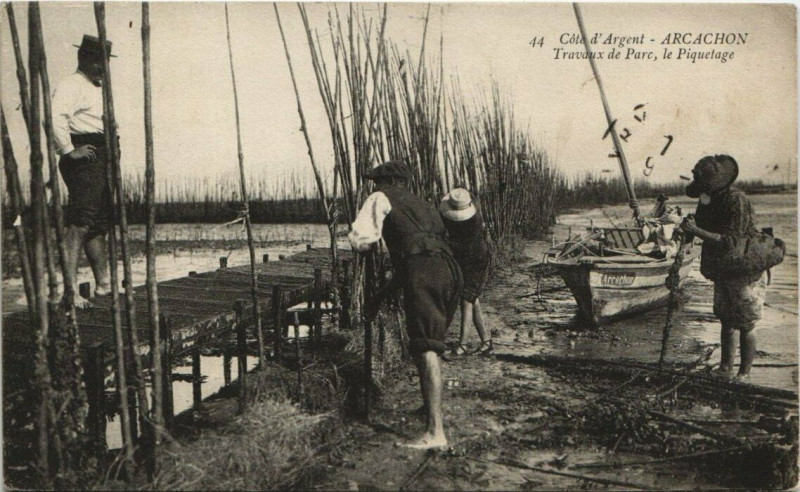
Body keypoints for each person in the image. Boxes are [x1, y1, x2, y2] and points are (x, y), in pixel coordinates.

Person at [349, 160, 461, 449]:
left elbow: (361, 239)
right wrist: (378, 296)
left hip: (422, 272)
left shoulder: (379, 198)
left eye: (375, 182)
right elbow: (415, 258)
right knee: (430, 342)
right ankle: (429, 408)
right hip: (449, 271)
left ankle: (436, 433)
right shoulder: (424, 206)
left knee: (425, 349)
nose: (373, 187)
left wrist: (365, 246)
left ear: (382, 183)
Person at [680, 155, 766, 380]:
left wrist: (697, 231)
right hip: (723, 267)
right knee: (726, 318)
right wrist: (691, 228)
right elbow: (703, 227)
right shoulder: (708, 198)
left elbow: (731, 241)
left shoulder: (737, 200)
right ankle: (726, 368)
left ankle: (744, 374)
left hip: (744, 268)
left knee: (746, 322)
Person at [53, 35, 115, 308]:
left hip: (102, 155)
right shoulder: (71, 85)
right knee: (80, 221)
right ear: (85, 59)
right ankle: (68, 291)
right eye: (98, 61)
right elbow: (56, 118)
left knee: (98, 222)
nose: (103, 67)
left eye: (105, 62)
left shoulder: (95, 87)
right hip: (85, 155)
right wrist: (68, 151)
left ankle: (103, 284)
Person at [439, 188, 493, 356]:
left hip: (477, 260)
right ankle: (486, 341)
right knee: (472, 299)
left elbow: (463, 246)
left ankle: (463, 345)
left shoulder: (473, 222)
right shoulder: (470, 210)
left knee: (466, 300)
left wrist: (446, 244)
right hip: (466, 258)